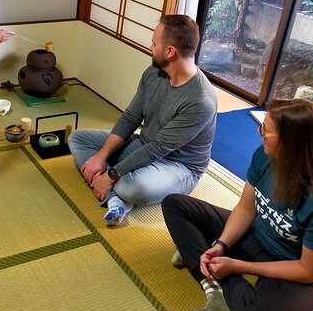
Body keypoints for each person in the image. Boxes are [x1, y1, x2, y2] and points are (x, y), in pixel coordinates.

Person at [161, 99, 313, 311]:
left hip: (305, 273)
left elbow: (308, 271)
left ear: (291, 142)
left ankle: (213, 272)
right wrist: (220, 245)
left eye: (266, 129)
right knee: (175, 205)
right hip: (259, 236)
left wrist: (237, 266)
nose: (260, 132)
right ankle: (214, 288)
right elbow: (245, 209)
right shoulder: (266, 156)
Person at [67, 14, 217, 225]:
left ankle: (118, 192)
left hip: (178, 166)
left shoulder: (200, 102)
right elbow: (130, 118)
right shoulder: (154, 73)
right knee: (78, 139)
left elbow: (158, 149)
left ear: (170, 52)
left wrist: (110, 175)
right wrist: (101, 156)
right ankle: (115, 200)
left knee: (131, 187)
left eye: (154, 43)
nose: (150, 47)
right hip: (144, 144)